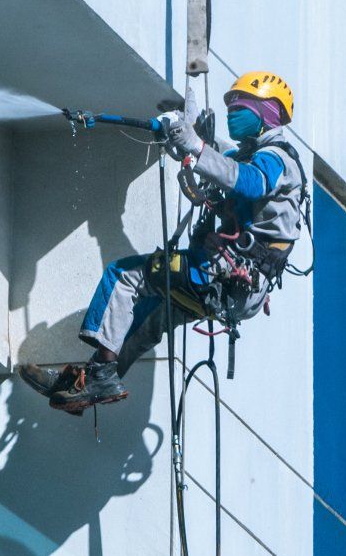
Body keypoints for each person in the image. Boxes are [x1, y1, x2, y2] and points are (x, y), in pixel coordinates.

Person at [20, 71, 310, 413]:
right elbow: (221, 162)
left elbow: (247, 182)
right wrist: (188, 140)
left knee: (123, 276)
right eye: (231, 107)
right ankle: (89, 384)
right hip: (227, 288)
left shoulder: (277, 158)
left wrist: (197, 147)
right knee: (145, 318)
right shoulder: (252, 154)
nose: (233, 113)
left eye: (241, 106)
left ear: (268, 111)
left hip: (226, 277)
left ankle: (99, 375)